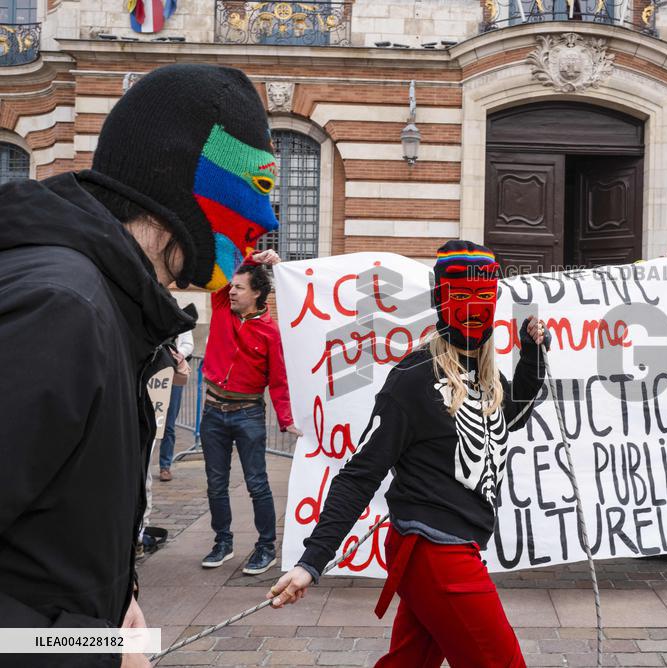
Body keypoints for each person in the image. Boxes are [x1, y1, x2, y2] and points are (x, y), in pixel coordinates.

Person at [0, 62, 281, 668]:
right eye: (257, 189)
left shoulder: (108, 306)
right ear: (181, 181)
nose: (269, 223)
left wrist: (113, 603)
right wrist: (93, 648)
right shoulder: (62, 310)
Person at [268, 240, 549, 667]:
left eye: (484, 296)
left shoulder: (487, 379)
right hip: (437, 550)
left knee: (409, 661)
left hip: (451, 546)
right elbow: (360, 473)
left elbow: (513, 418)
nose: (475, 307)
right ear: (441, 299)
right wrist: (312, 560)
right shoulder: (413, 379)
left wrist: (531, 356)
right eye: (462, 295)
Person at [199, 251, 302, 576]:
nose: (231, 291)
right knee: (215, 484)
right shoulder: (220, 305)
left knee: (257, 483)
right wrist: (250, 255)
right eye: (232, 286)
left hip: (248, 415)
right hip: (212, 412)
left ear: (257, 293)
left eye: (240, 288)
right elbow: (219, 264)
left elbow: (279, 381)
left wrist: (286, 420)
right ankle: (222, 542)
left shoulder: (270, 333)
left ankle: (265, 547)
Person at [159, 326, 195, 481]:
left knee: (169, 423)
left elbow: (188, 344)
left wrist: (177, 355)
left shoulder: (179, 316)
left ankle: (165, 466)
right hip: (151, 372)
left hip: (173, 372)